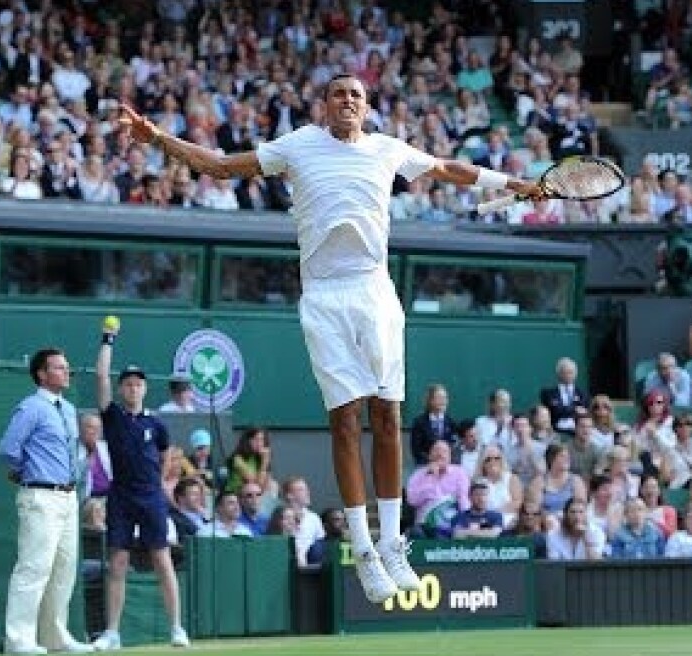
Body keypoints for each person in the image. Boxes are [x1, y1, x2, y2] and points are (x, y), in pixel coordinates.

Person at [119, 73, 540, 604]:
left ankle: (392, 543)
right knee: (345, 423)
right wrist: (157, 138)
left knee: (387, 416)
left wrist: (510, 183)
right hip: (323, 298)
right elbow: (221, 165)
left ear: (366, 107)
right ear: (324, 105)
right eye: (339, 93)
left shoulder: (388, 149)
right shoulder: (297, 146)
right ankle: (363, 550)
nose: (348, 100)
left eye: (357, 95)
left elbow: (447, 168)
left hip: (375, 292)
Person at [90, 322, 188, 650]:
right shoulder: (113, 416)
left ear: (145, 389)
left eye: (138, 384)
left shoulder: (157, 424)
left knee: (162, 560)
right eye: (128, 384)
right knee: (117, 561)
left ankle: (177, 628)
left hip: (151, 499)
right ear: (121, 390)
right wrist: (108, 339)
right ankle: (112, 633)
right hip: (120, 496)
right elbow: (101, 376)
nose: (133, 388)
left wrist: (161, 485)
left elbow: (165, 456)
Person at [0, 347, 93, 654]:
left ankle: (55, 638)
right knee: (33, 568)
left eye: (67, 367)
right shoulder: (31, 407)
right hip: (40, 496)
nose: (67, 372)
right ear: (42, 374)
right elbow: (8, 447)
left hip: (67, 498)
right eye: (60, 368)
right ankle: (18, 641)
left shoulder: (67, 409)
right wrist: (26, 472)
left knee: (64, 571)